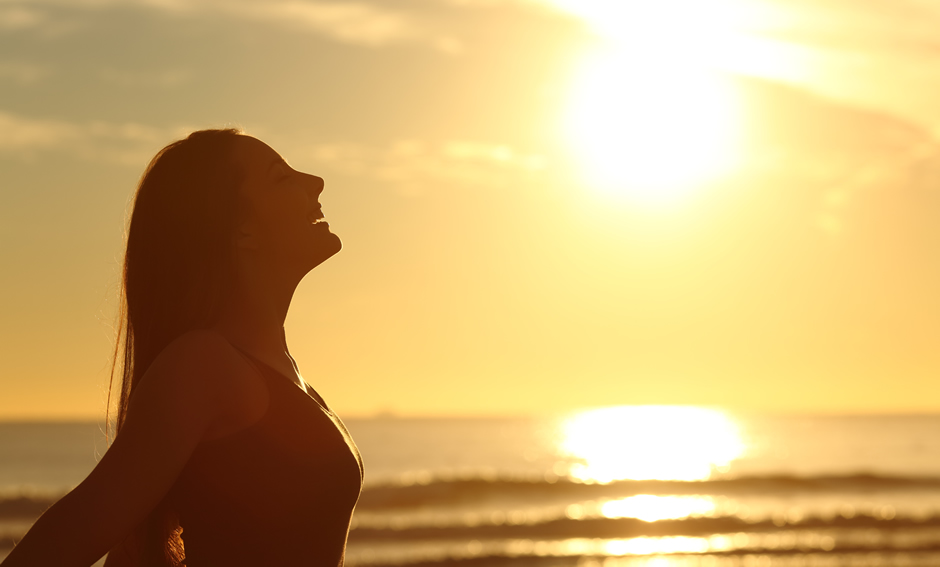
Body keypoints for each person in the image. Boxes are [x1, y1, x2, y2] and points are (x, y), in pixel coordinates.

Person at [1, 129, 363, 567]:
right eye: (282, 177)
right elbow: (68, 537)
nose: (316, 181)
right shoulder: (204, 365)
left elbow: (134, 551)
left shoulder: (277, 370)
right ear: (242, 231)